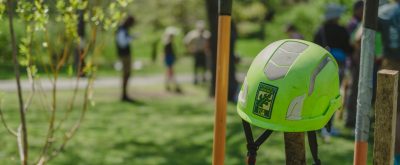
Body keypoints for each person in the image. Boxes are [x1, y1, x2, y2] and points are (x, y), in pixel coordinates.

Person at [314, 4, 353, 142]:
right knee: (333, 95)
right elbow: (349, 48)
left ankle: (318, 123)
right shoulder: (342, 30)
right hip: (338, 67)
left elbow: (314, 48)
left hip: (322, 67)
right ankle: (328, 126)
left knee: (321, 94)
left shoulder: (320, 30)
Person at [377, 0, 400, 164]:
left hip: (390, 64)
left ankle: (394, 156)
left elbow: (359, 36)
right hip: (391, 64)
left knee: (392, 112)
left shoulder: (385, 11)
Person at [184, 20, 211, 85]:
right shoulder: (193, 34)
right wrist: (190, 49)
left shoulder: (206, 34)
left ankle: (203, 78)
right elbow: (186, 42)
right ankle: (195, 79)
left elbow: (210, 42)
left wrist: (208, 49)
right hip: (196, 52)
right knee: (196, 67)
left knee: (204, 66)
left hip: (203, 52)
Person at [116, 16, 136, 102]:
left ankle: (125, 94)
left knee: (127, 73)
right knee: (126, 73)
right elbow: (122, 43)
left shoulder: (124, 29)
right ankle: (124, 95)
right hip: (124, 55)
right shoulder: (122, 29)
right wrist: (131, 38)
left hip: (126, 55)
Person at [163, 27, 182, 93]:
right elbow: (167, 53)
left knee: (170, 72)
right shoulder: (168, 43)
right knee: (170, 72)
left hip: (170, 58)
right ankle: (172, 85)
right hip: (169, 59)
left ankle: (170, 85)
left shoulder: (169, 43)